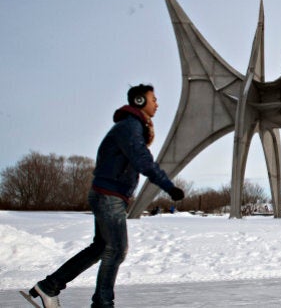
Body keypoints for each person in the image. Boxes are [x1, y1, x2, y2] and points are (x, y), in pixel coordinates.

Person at [28, 84, 185, 308]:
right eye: (154, 99)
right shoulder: (130, 127)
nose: (157, 103)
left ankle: (49, 286)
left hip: (108, 194)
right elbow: (143, 161)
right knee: (117, 249)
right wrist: (169, 187)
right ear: (140, 101)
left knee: (101, 248)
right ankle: (102, 303)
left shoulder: (132, 126)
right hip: (109, 196)